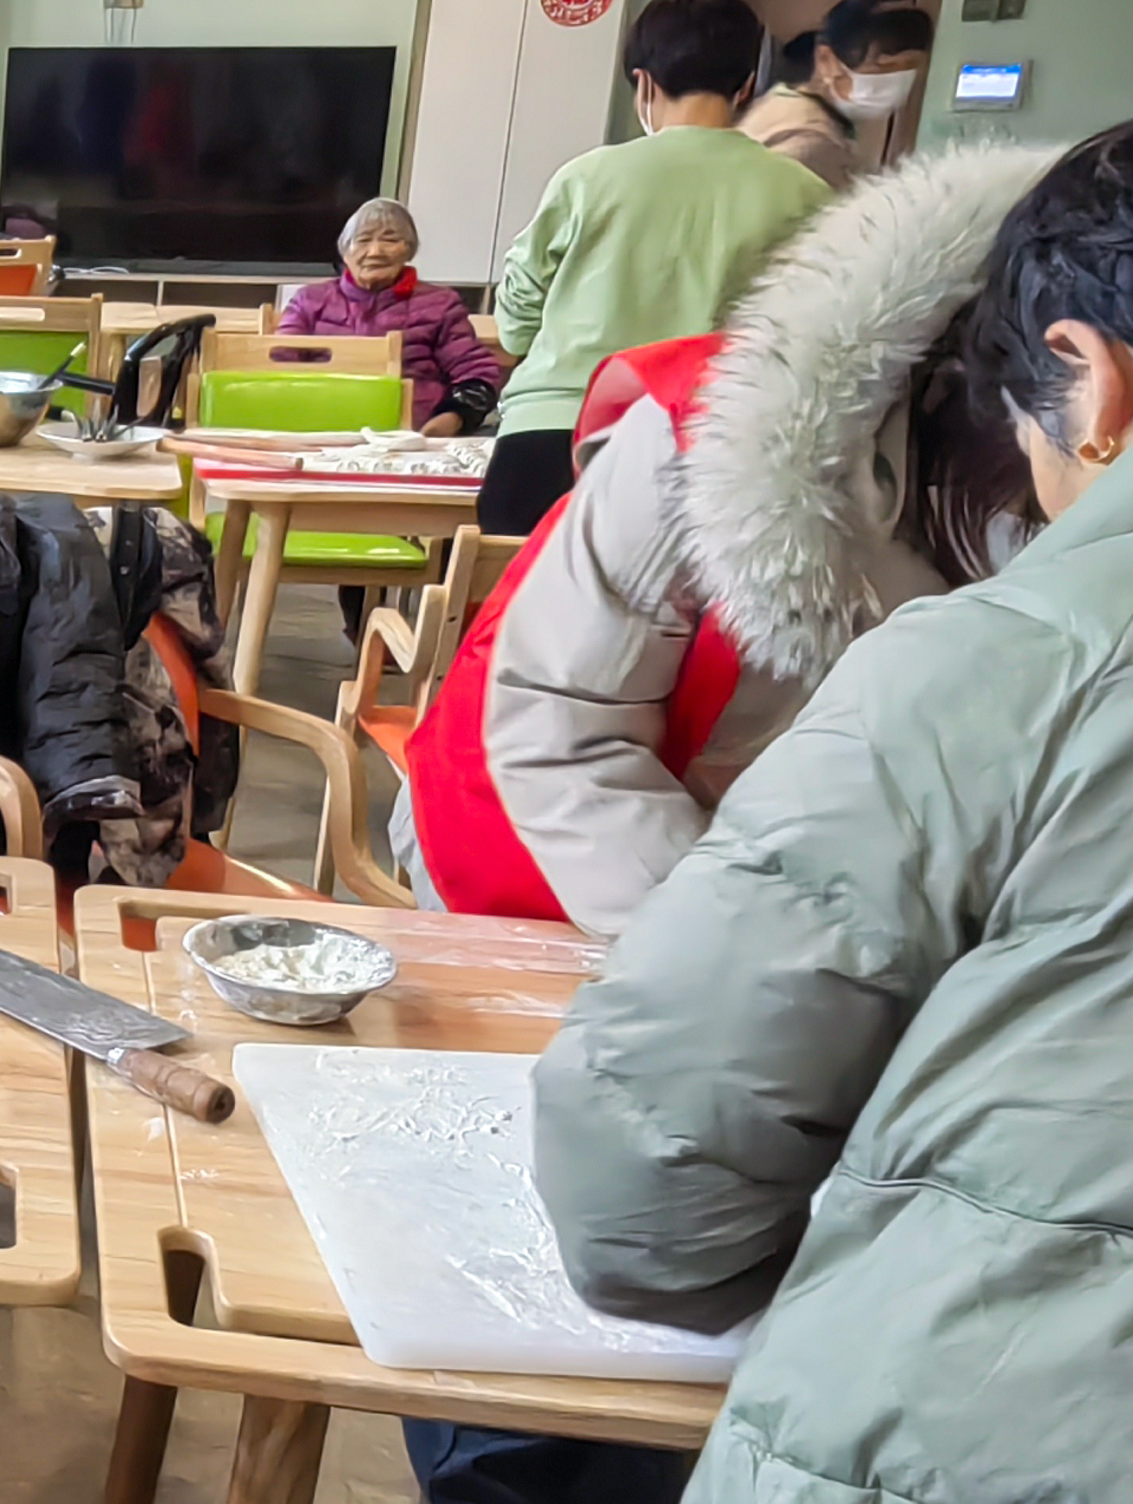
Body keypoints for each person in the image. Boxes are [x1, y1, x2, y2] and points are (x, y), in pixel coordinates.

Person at [531, 120, 1133, 1504]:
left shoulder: (1028, 644)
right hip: (610, 904)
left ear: (1090, 377)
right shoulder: (694, 445)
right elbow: (557, 731)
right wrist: (716, 941)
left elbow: (654, 1169)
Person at [400, 141, 1053, 939]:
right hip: (576, 834)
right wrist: (746, 951)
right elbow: (561, 727)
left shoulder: (593, 176)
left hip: (590, 415)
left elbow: (520, 308)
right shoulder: (734, 422)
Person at [478, 0, 835, 536]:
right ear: (747, 86)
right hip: (709, 443)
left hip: (554, 435)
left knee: (513, 585)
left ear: (643, 83)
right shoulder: (807, 195)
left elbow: (516, 320)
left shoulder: (587, 178)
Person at [279, 198, 506, 439]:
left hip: (411, 435)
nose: (375, 251)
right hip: (321, 429)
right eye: (363, 240)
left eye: (390, 240)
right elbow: (276, 363)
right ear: (345, 252)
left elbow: (475, 370)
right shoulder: (309, 300)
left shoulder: (441, 303)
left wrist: (452, 418)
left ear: (408, 250)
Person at [741, 1, 935, 191]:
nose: (898, 79)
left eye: (911, 68)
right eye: (885, 66)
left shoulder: (784, 104)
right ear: (826, 60)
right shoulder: (812, 144)